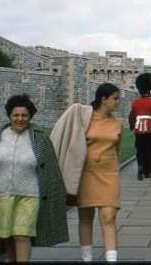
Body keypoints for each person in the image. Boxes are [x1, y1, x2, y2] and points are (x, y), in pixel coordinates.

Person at [0, 94, 68, 261]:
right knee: (7, 235)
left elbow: (50, 171)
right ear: (9, 116)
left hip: (30, 196)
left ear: (30, 116)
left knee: (22, 235)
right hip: (2, 195)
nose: (20, 119)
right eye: (16, 115)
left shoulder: (40, 139)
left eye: (24, 115)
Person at [50, 83, 124, 262]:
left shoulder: (118, 123)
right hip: (86, 173)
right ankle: (87, 257)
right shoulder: (84, 117)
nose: (118, 103)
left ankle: (111, 259)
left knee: (109, 216)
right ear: (103, 99)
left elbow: (118, 150)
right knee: (86, 217)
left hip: (109, 174)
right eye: (115, 99)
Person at [128, 73, 151, 181]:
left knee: (140, 149)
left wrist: (132, 126)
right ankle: (147, 171)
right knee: (149, 150)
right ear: (149, 89)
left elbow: (132, 116)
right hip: (149, 129)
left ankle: (140, 166)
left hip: (139, 129)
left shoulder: (136, 102)